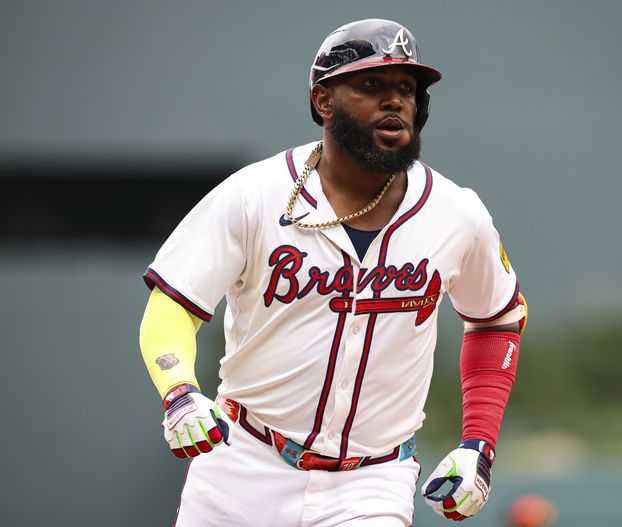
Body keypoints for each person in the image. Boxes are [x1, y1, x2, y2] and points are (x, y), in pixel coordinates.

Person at [139, 18, 527, 526]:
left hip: (373, 480)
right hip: (244, 463)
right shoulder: (253, 195)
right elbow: (172, 305)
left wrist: (479, 443)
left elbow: (497, 319)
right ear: (324, 101)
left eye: (406, 89)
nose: (395, 101)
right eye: (371, 85)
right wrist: (180, 391)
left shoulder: (456, 213)